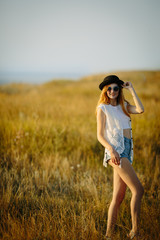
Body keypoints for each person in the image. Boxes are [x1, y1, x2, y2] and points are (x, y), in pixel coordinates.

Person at [96, 75, 144, 239]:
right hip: (115, 150)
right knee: (138, 190)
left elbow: (140, 109)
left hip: (127, 149)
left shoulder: (124, 105)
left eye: (116, 88)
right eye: (109, 88)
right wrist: (111, 150)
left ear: (119, 89)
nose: (112, 91)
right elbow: (100, 135)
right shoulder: (103, 108)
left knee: (118, 196)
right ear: (105, 90)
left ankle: (108, 235)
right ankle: (135, 232)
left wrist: (131, 89)